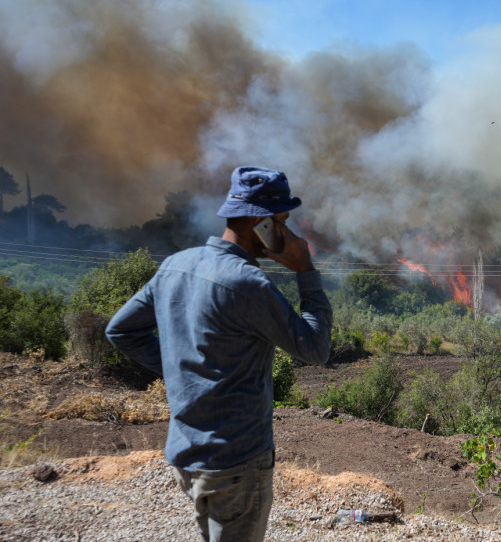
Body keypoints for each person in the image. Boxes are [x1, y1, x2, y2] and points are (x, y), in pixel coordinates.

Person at [106, 166, 332, 542]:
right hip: (237, 462)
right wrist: (305, 270)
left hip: (186, 455)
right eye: (283, 221)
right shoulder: (249, 283)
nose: (289, 233)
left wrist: (180, 373)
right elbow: (316, 349)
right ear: (261, 223)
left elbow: (120, 330)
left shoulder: (175, 265)